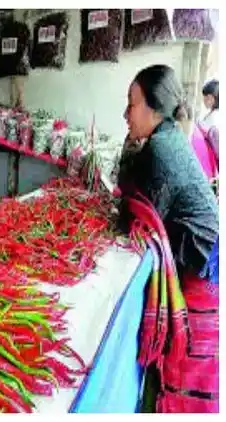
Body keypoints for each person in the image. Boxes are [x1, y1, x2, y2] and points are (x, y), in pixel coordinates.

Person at [117, 64, 219, 413]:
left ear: (152, 107)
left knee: (187, 366)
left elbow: (138, 217)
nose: (125, 114)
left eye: (131, 104)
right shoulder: (169, 136)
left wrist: (128, 155)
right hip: (202, 255)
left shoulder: (160, 148)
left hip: (201, 265)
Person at [190, 79, 219, 180]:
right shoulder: (212, 114)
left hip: (208, 164)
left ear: (211, 98)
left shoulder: (215, 117)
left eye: (205, 98)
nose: (203, 101)